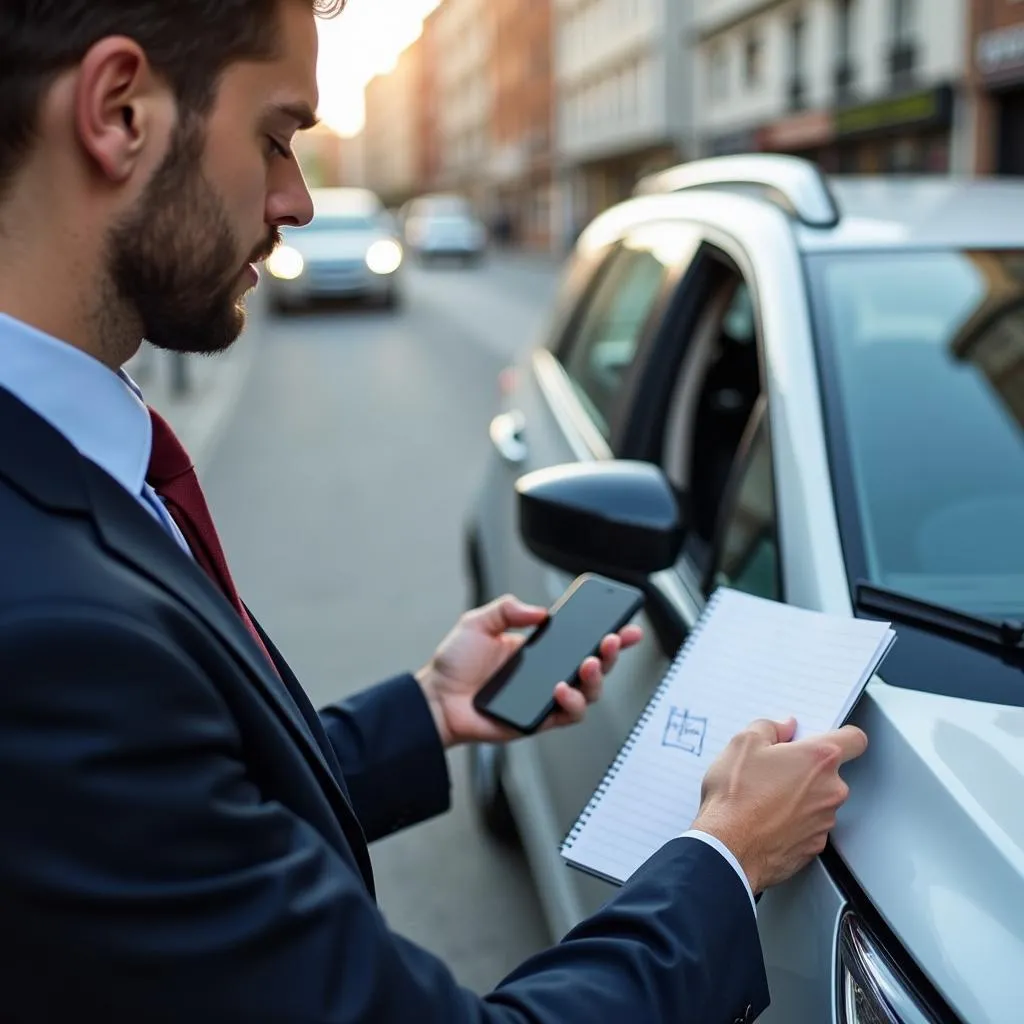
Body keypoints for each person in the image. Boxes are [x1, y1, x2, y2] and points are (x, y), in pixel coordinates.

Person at [0, 2, 868, 1021]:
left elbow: (181, 820)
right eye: (277, 137)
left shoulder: (65, 477)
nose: (298, 200)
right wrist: (724, 855)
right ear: (119, 111)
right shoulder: (49, 637)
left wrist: (421, 710)